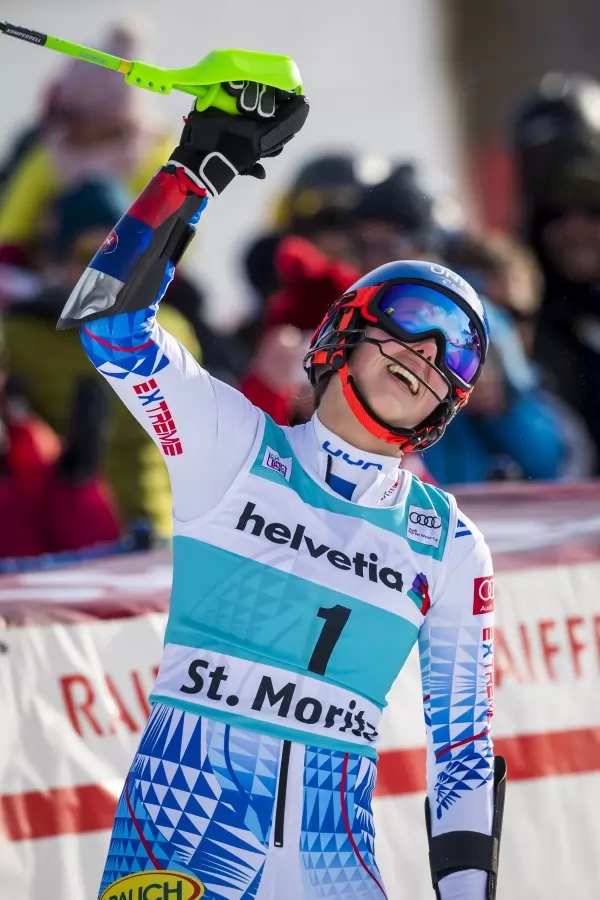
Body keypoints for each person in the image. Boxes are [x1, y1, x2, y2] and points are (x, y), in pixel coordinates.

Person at [57, 77, 505, 900]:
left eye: (459, 352)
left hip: (335, 870)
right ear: (346, 328)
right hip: (182, 839)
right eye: (412, 319)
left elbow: (464, 756)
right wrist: (198, 165)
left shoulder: (448, 543)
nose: (428, 353)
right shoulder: (233, 445)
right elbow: (110, 327)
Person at [4, 176, 201, 538]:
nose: (109, 271)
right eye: (89, 256)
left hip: (164, 534)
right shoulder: (18, 338)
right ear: (60, 261)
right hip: (68, 542)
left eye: (125, 253)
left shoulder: (170, 330)